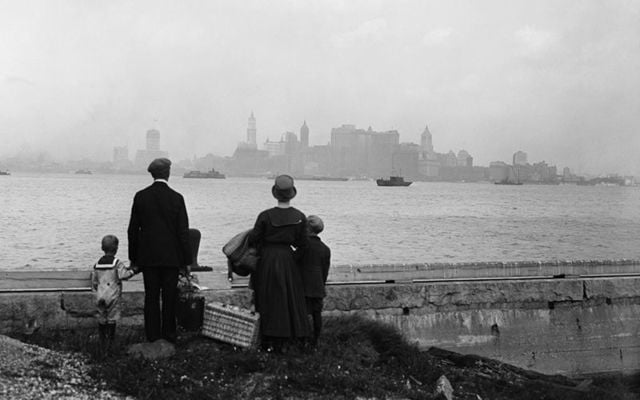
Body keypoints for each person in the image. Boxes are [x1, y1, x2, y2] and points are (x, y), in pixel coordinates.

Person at [127, 158, 192, 343]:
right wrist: (187, 261)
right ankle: (169, 335)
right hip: (172, 258)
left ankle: (152, 336)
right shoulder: (177, 198)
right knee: (170, 297)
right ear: (168, 173)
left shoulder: (140, 196)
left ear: (152, 174)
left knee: (151, 297)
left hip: (148, 257)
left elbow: (133, 230)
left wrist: (134, 258)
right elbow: (183, 233)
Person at [248, 174, 311, 351]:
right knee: (289, 298)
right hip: (287, 259)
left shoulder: (265, 215)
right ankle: (290, 336)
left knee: (267, 297)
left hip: (267, 259)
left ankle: (267, 336)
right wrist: (292, 259)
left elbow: (254, 239)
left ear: (275, 193)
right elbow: (304, 244)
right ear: (292, 194)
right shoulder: (299, 216)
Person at [91, 234, 137, 353]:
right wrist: (134, 270)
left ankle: (102, 342)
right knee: (111, 319)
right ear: (116, 248)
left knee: (102, 318)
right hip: (112, 295)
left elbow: (95, 281)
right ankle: (110, 342)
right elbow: (124, 275)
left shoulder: (97, 264)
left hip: (100, 295)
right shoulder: (117, 263)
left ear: (102, 248)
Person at [300, 215, 331, 347]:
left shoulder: (303, 245)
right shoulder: (325, 249)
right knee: (316, 314)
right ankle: (315, 340)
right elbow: (325, 270)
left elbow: (295, 262)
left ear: (307, 228)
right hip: (317, 285)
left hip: (303, 285)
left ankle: (302, 339)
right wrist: (321, 284)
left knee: (302, 313)